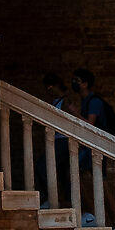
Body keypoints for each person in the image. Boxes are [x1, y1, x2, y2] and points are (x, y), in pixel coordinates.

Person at [72, 67, 115, 228]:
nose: (74, 84)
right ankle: (95, 216)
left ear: (85, 84)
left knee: (101, 184)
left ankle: (105, 221)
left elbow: (90, 125)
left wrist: (73, 113)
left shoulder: (94, 102)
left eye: (77, 81)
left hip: (97, 149)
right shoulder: (86, 101)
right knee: (98, 184)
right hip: (90, 149)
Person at [42, 73, 70, 206]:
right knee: (62, 173)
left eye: (50, 87)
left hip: (64, 141)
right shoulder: (55, 101)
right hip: (56, 140)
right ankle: (60, 200)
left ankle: (54, 199)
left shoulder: (66, 102)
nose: (49, 91)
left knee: (43, 166)